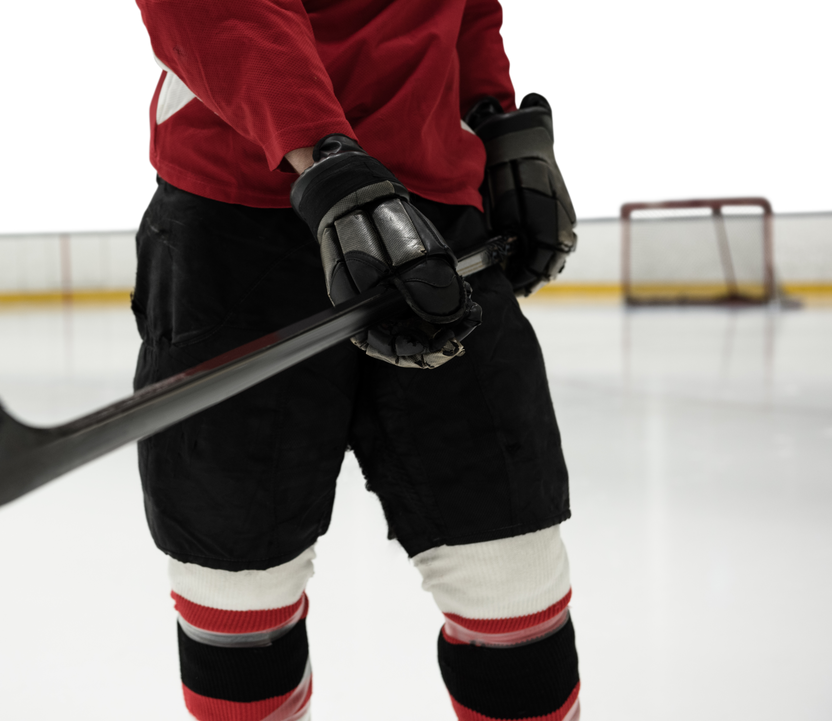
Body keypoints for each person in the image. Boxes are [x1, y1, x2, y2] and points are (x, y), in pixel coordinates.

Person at [130, 1, 580, 719]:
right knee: (238, 586)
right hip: (240, 218)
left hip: (434, 214)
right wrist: (324, 155)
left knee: (511, 568)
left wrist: (492, 113)